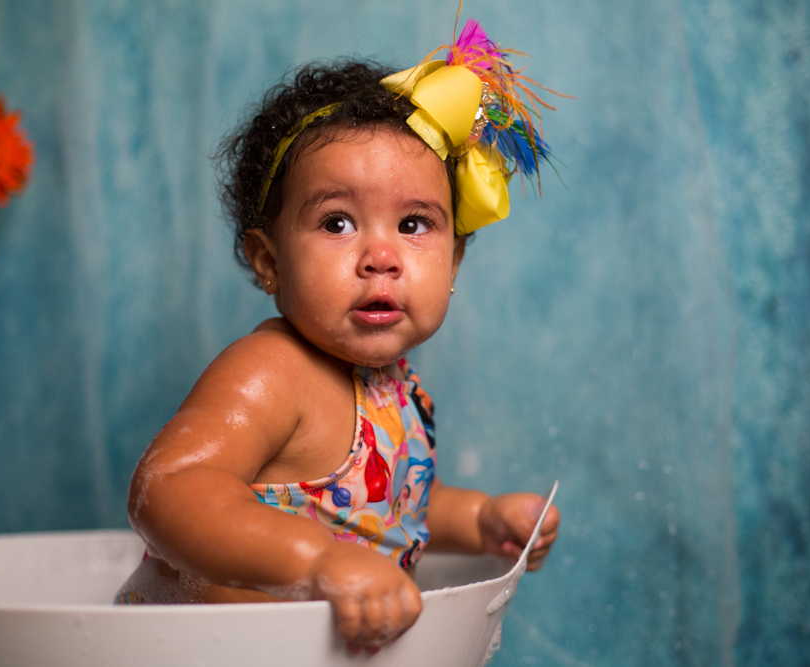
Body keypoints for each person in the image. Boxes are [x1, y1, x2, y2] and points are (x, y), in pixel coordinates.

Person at [116, 17, 562, 655]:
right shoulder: (271, 371)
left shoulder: (390, 387)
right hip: (199, 649)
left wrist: (478, 518)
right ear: (269, 261)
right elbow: (167, 490)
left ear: (455, 263)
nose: (381, 255)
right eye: (337, 222)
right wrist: (315, 560)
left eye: (413, 224)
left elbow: (385, 509)